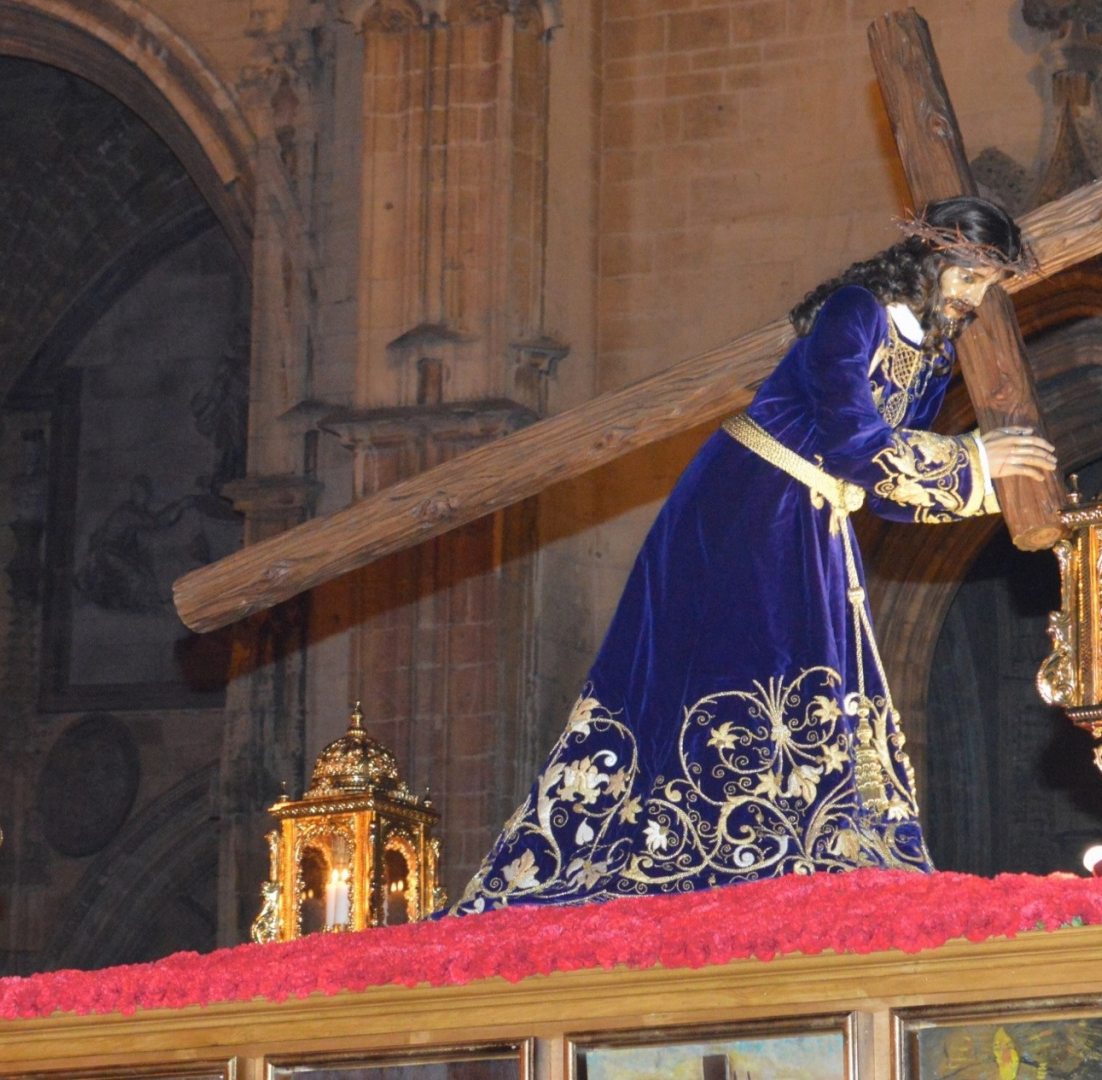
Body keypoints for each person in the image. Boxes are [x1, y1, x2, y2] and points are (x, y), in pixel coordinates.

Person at [450, 196, 1058, 913]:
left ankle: (799, 846)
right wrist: (975, 461)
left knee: (818, 677)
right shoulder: (857, 311)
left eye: (989, 283)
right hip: (748, 501)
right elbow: (855, 440)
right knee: (747, 661)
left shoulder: (934, 355)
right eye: (968, 275)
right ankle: (711, 851)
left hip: (816, 519)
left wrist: (990, 477)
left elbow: (888, 491)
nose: (975, 296)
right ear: (930, 258)